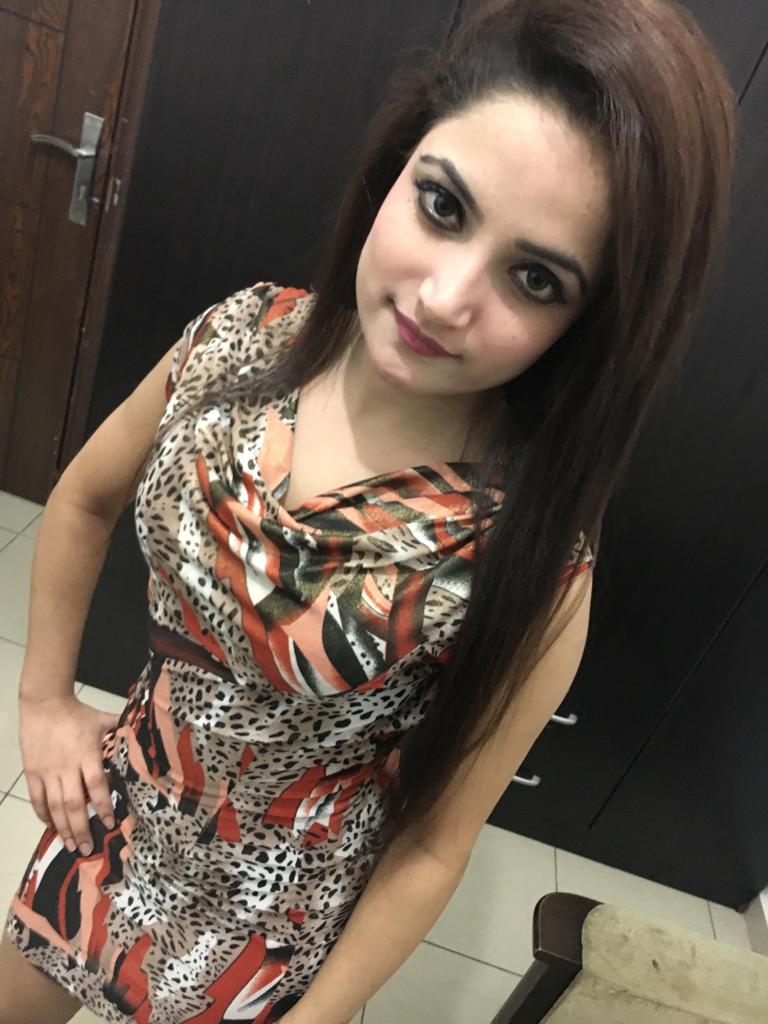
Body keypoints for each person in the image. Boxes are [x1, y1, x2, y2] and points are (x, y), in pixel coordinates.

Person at [0, 0, 738, 1021]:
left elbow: (432, 844)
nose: (444, 296)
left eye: (533, 278)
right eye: (443, 206)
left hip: (274, 928)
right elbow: (82, 499)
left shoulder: (530, 559)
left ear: (588, 321)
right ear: (396, 168)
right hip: (115, 815)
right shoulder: (241, 336)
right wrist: (44, 700)